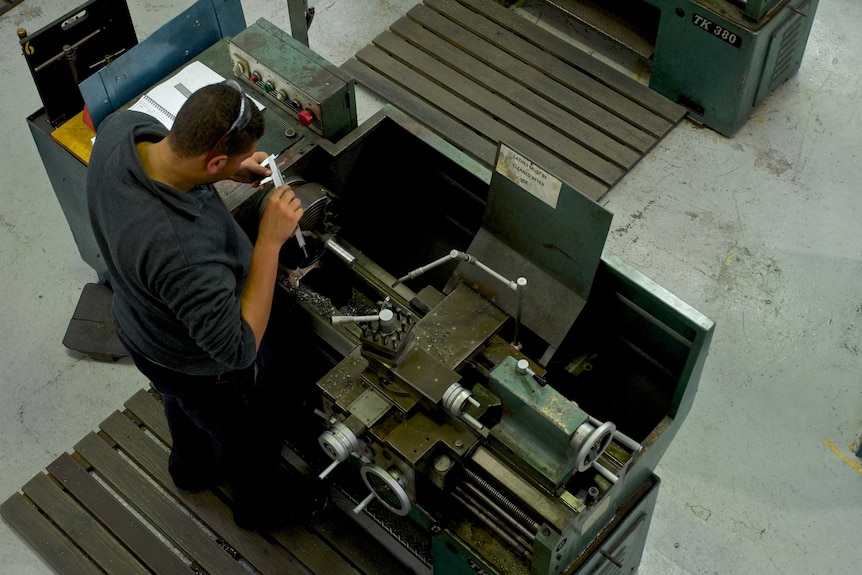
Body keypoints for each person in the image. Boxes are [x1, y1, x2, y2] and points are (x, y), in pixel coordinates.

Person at [87, 79, 322, 530]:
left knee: (182, 402)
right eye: (232, 160)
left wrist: (228, 170)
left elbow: (187, 165)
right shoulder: (181, 252)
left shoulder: (125, 130)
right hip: (196, 362)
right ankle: (260, 508)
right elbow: (237, 349)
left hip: (142, 328)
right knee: (244, 436)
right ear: (211, 157)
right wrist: (270, 242)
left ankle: (191, 470)